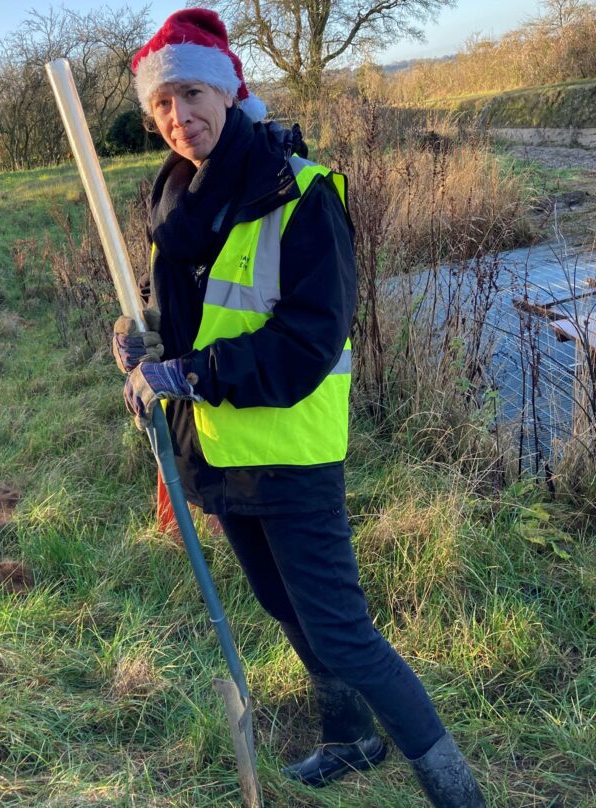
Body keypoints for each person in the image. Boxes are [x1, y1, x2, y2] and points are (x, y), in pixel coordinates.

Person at [112, 9, 486, 806]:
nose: (179, 117)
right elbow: (182, 317)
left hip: (290, 453)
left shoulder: (301, 193)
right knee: (280, 603)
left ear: (228, 90)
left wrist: (187, 373)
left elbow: (309, 340)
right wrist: (141, 339)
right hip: (217, 448)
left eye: (191, 94)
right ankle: (350, 739)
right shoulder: (173, 201)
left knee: (344, 634)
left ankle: (458, 792)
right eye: (162, 105)